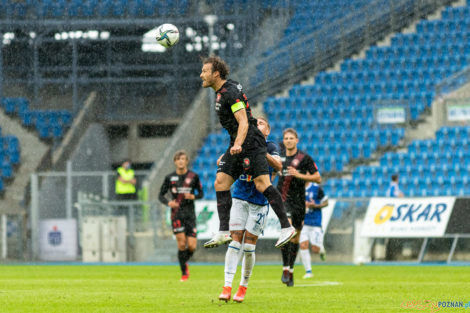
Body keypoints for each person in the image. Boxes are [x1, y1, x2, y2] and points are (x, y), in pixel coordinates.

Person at [200, 56, 295, 249]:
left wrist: (237, 144)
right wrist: (233, 146)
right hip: (240, 142)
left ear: (215, 73)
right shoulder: (223, 91)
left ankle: (286, 227)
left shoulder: (230, 92)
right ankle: (223, 231)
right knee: (221, 182)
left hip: (251, 142)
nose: (201, 74)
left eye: (204, 71)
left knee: (262, 184)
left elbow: (244, 121)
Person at [219, 117, 282, 303]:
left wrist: (261, 152)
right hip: (239, 197)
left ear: (267, 131)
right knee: (235, 239)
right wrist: (234, 153)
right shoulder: (241, 140)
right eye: (255, 123)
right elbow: (219, 162)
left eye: (261, 123)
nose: (257, 125)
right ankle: (227, 285)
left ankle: (243, 286)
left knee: (248, 246)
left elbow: (279, 166)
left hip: (259, 201)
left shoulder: (270, 146)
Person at [277, 128, 321, 287]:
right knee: (287, 232)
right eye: (286, 138)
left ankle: (291, 270)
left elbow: (318, 178)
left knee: (295, 238)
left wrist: (299, 175)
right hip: (282, 200)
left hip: (299, 203)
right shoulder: (279, 157)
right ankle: (284, 268)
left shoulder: (304, 158)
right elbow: (272, 172)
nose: (288, 140)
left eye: (291, 138)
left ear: (297, 140)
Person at [158, 150, 204, 282]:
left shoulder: (193, 177)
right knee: (181, 243)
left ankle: (184, 260)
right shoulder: (169, 178)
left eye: (183, 159)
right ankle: (184, 272)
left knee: (192, 246)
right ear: (175, 162)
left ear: (187, 161)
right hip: (176, 215)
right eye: (178, 159)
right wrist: (168, 202)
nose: (180, 161)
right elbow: (160, 195)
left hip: (190, 215)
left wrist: (193, 196)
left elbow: (201, 193)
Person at [299, 182, 329, 279]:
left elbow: (326, 202)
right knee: (303, 245)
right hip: (303, 223)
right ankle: (308, 271)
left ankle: (321, 250)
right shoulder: (297, 188)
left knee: (315, 249)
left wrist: (315, 205)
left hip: (315, 223)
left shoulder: (316, 188)